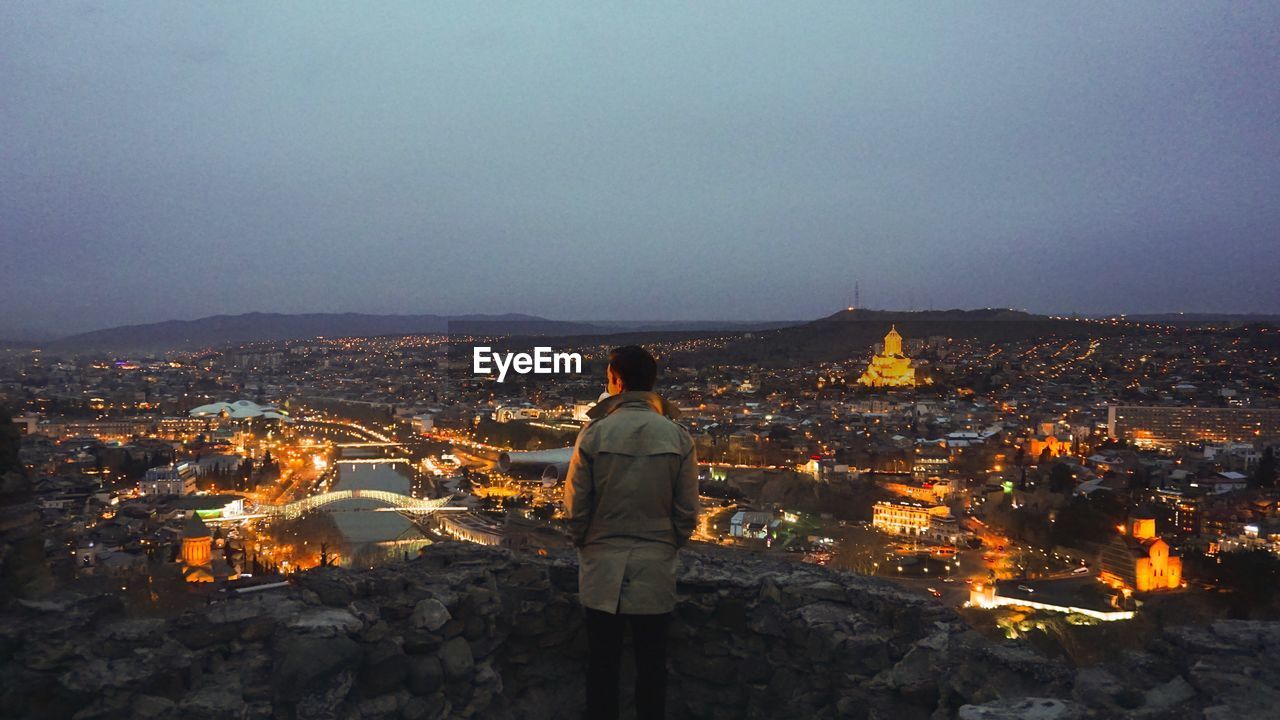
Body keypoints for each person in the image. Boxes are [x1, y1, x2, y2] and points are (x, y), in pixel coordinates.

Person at [564, 345, 699, 720]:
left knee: (602, 667)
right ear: (652, 382)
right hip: (656, 565)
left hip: (601, 564)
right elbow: (687, 512)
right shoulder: (677, 436)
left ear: (616, 381)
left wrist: (586, 544)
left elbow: (576, 507)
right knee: (652, 667)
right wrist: (668, 543)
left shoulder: (594, 434)